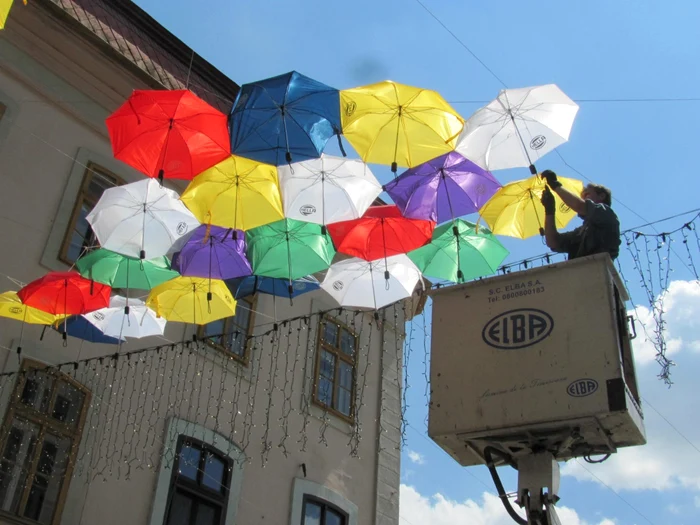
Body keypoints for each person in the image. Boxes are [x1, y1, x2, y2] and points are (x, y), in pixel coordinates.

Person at [539, 169, 621, 260]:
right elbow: (553, 241)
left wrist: (555, 185)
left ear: (601, 196)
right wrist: (549, 210)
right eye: (582, 197)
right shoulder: (581, 232)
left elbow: (580, 206)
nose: (584, 199)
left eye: (587, 195)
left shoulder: (605, 212)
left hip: (598, 269)